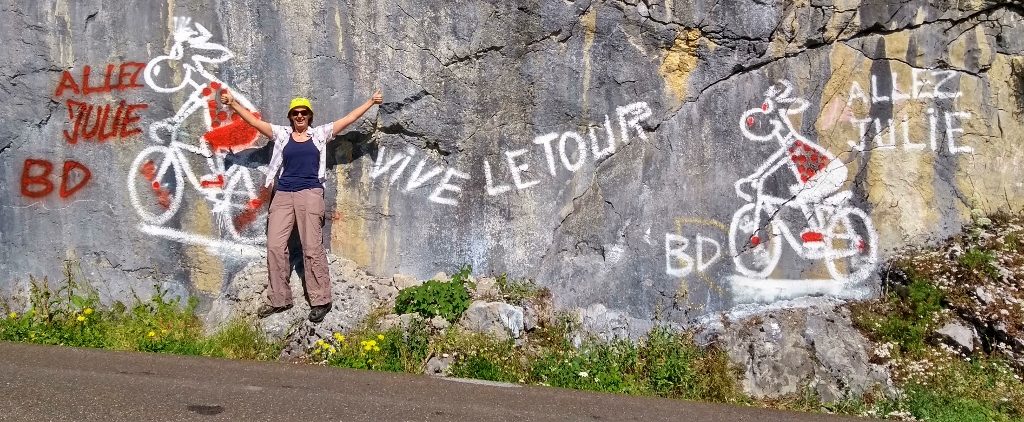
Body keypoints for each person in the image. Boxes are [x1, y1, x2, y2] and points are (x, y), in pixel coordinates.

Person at [219, 89, 383, 322]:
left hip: (310, 193)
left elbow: (349, 119)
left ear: (309, 116)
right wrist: (233, 104)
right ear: (290, 116)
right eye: (295, 113)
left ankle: (321, 299)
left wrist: (370, 102)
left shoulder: (319, 135)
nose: (299, 116)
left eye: (303, 113)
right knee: (275, 246)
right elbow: (255, 122)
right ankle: (279, 299)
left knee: (311, 247)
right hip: (283, 194)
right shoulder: (282, 134)